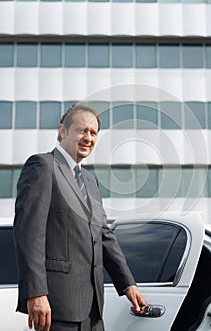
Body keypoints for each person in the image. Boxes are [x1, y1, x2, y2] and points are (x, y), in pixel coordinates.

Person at [13, 102, 146, 331]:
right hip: (57, 306)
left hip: (93, 309)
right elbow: (29, 235)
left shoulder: (91, 182)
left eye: (93, 133)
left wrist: (128, 284)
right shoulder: (43, 166)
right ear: (63, 131)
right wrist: (36, 293)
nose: (88, 137)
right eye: (81, 130)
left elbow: (104, 236)